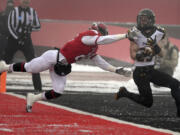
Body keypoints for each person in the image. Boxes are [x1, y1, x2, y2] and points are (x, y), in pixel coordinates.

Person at [0, 22, 132, 112]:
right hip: (54, 57)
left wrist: (116, 70)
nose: (103, 35)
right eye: (103, 33)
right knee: (30, 68)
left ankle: (33, 98)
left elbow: (100, 62)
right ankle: (5, 67)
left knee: (58, 90)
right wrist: (125, 35)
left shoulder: (93, 47)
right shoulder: (89, 35)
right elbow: (103, 40)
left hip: (62, 65)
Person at [114, 8, 180, 117]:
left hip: (151, 71)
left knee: (176, 84)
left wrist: (154, 48)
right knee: (148, 102)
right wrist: (142, 53)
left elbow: (162, 54)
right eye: (141, 19)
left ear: (151, 20)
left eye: (145, 19)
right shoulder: (135, 33)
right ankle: (124, 93)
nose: (142, 22)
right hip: (140, 73)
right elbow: (133, 54)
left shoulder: (158, 32)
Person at [3, 0, 42, 91]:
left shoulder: (32, 11)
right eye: (24, 2)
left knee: (34, 63)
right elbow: (10, 25)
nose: (26, 3)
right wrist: (17, 37)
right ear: (20, 2)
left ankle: (38, 88)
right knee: (5, 62)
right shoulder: (14, 11)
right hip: (14, 39)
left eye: (27, 2)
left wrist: (29, 28)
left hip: (26, 40)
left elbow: (38, 26)